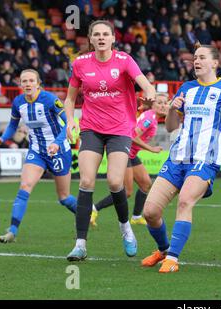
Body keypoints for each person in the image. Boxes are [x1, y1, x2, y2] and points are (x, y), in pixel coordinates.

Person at [140, 43, 221, 273]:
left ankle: (172, 259)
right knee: (150, 212)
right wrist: (173, 109)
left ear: (215, 63)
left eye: (202, 57)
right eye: (195, 57)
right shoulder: (187, 88)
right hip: (177, 158)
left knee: (185, 201)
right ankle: (164, 250)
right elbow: (172, 127)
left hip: (205, 159)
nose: (197, 61)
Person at [64, 20, 156, 261]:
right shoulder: (81, 64)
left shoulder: (124, 60)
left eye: (106, 34)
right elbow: (70, 98)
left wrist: (150, 94)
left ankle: (125, 227)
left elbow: (145, 84)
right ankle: (80, 244)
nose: (102, 37)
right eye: (97, 34)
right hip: (91, 128)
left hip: (120, 129)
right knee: (86, 180)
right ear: (91, 39)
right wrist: (70, 120)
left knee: (116, 183)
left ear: (113, 38)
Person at [0, 69, 77, 243]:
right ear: (20, 84)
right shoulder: (18, 102)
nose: (27, 84)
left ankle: (86, 213)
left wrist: (57, 142)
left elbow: (68, 123)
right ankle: (12, 231)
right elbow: (12, 126)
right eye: (24, 81)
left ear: (38, 83)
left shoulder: (50, 100)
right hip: (37, 151)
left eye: (31, 81)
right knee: (25, 186)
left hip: (59, 150)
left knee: (64, 197)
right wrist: (2, 138)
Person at [90, 93, 168, 227]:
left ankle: (137, 217)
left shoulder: (151, 116)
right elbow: (132, 135)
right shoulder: (149, 118)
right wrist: (151, 149)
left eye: (165, 103)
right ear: (153, 105)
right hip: (123, 152)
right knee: (126, 191)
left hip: (131, 153)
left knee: (145, 184)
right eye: (159, 103)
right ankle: (94, 209)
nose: (163, 105)